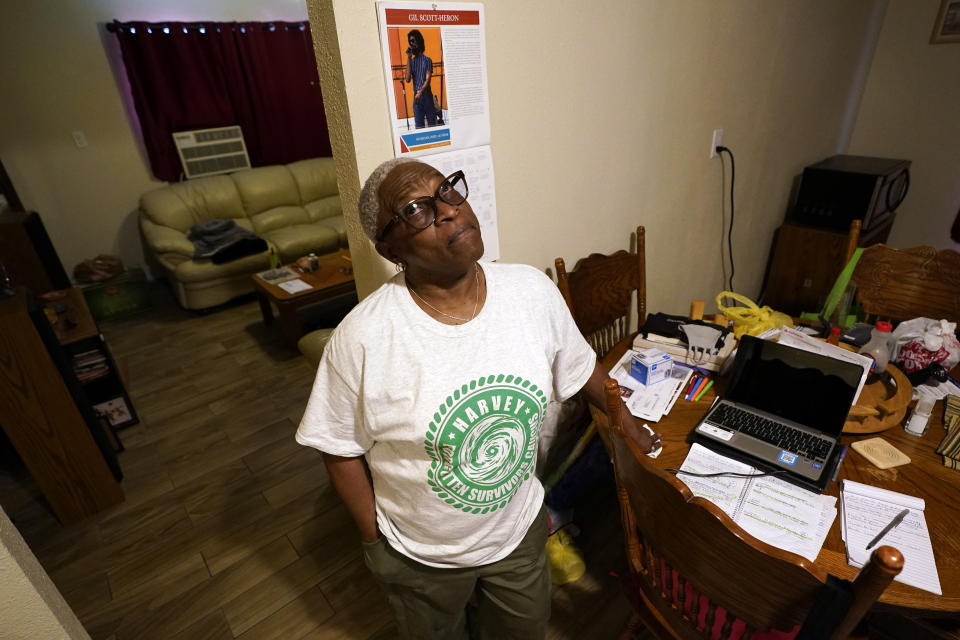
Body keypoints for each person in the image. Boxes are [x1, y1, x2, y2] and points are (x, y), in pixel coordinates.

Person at [296, 158, 661, 640]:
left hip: (519, 533)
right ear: (390, 248)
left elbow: (580, 367)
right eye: (415, 209)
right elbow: (336, 443)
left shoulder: (531, 291)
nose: (447, 210)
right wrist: (374, 540)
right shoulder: (362, 338)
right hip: (420, 556)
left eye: (447, 190)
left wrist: (630, 425)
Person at [404, 29, 436, 129]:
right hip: (417, 99)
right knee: (419, 127)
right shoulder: (412, 62)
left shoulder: (427, 60)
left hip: (426, 96)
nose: (411, 43)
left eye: (413, 40)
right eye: (410, 42)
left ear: (419, 40)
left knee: (432, 126)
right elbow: (408, 79)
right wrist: (408, 58)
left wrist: (420, 92)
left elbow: (428, 80)